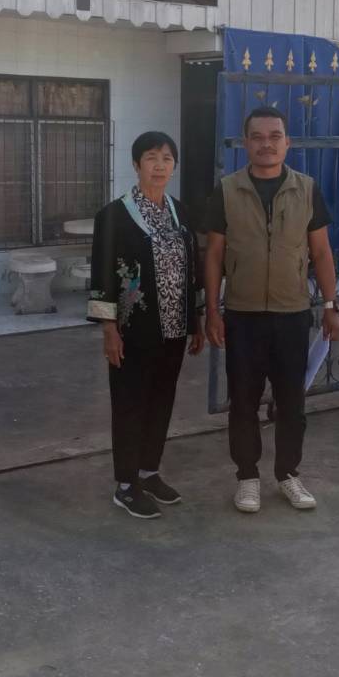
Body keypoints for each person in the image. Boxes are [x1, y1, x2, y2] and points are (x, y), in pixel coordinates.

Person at [202, 106, 339, 514]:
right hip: (243, 315)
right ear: (246, 143)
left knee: (291, 403)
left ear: (287, 142)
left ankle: (287, 474)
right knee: (243, 401)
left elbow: (321, 252)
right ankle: (247, 477)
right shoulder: (226, 190)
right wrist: (212, 309)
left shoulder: (306, 189)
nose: (266, 144)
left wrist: (330, 305)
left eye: (274, 136)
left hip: (292, 314)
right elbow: (214, 255)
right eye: (258, 137)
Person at [88, 131, 204, 520]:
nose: (159, 166)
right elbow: (102, 274)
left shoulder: (180, 212)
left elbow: (193, 268)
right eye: (151, 158)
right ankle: (125, 484)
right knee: (129, 403)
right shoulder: (114, 216)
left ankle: (148, 472)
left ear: (174, 166)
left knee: (161, 399)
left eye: (167, 158)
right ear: (136, 165)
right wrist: (108, 329)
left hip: (173, 328)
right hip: (133, 328)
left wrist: (196, 318)